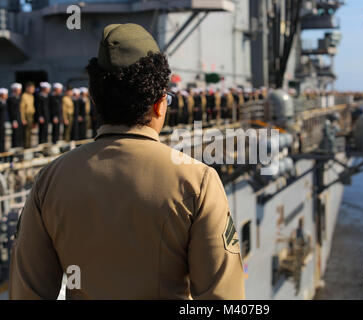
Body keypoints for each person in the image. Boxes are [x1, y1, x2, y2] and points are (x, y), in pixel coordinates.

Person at [9, 23, 245, 300]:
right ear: (159, 104)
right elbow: (223, 298)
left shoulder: (49, 181)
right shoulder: (197, 181)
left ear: (95, 101)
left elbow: (28, 294)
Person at [7, 83, 23, 148]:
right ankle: (15, 147)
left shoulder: (18, 98)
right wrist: (14, 120)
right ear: (15, 90)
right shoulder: (11, 99)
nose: (20, 91)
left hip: (19, 118)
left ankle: (19, 146)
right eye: (19, 90)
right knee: (15, 134)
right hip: (15, 119)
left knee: (19, 133)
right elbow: (12, 110)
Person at [20, 82, 35, 148]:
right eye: (31, 88)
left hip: (31, 115)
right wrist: (23, 118)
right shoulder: (24, 96)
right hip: (26, 115)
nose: (33, 90)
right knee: (26, 132)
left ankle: (29, 145)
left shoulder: (31, 96)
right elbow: (22, 108)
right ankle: (26, 146)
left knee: (30, 131)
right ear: (27, 88)